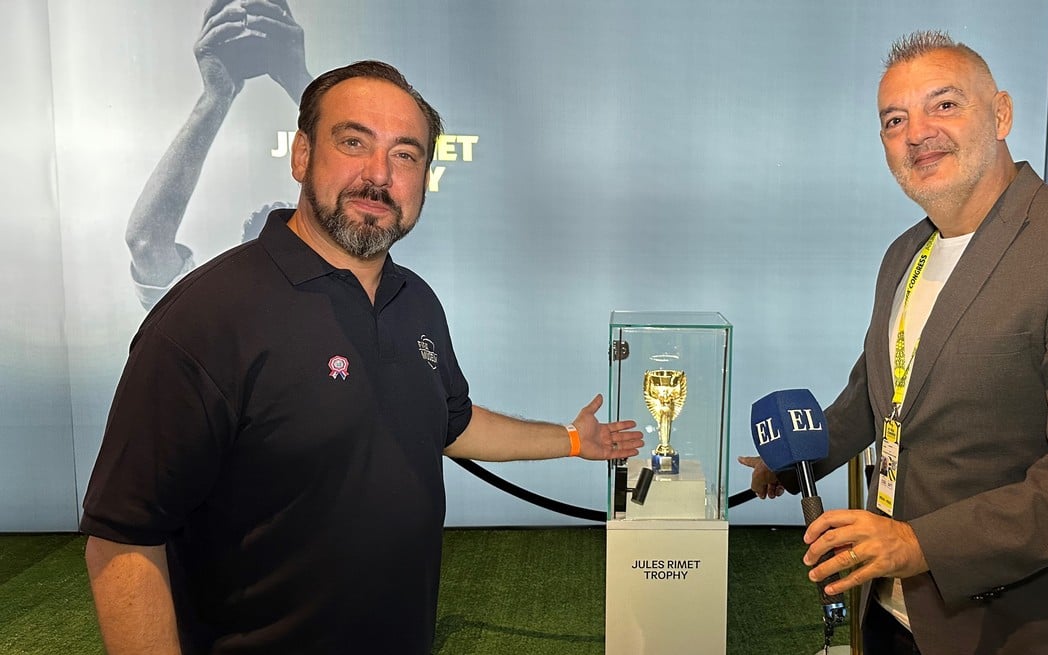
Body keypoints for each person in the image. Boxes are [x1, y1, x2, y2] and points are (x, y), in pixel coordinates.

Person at [82, 60, 644, 655]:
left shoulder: (416, 302)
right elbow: (123, 538)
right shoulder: (205, 320)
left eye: (405, 155)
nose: (379, 175)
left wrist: (575, 440)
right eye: (353, 142)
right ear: (301, 156)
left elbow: (450, 422)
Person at [741, 30, 1048, 654]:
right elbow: (882, 390)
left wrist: (920, 545)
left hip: (1019, 626)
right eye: (895, 119)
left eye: (944, 105)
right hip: (891, 609)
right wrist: (807, 453)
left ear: (1001, 114)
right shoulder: (904, 253)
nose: (918, 133)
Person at [126, 0, 310, 309]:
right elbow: (147, 245)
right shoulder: (215, 317)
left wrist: (301, 82)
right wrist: (216, 95)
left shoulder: (350, 304)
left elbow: (147, 244)